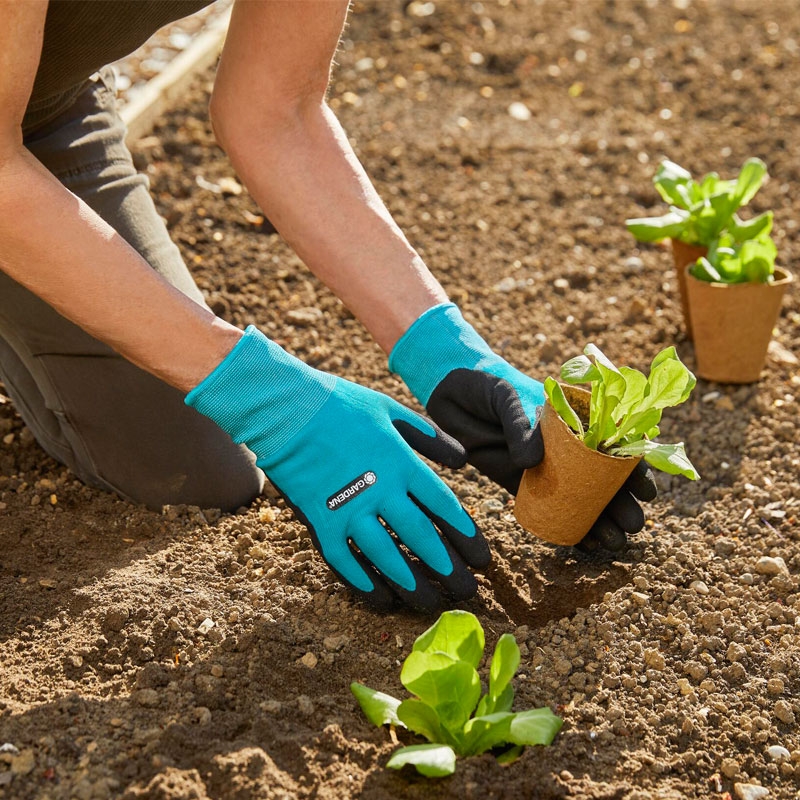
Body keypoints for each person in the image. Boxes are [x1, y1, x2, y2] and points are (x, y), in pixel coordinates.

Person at [1, 0, 655, 612]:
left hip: (39, 112)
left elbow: (277, 111)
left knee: (197, 466)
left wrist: (442, 351)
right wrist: (269, 399)